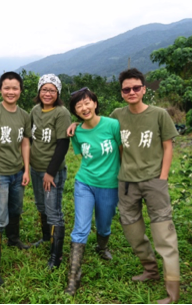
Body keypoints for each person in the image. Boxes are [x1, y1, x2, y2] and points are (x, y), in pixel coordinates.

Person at [113, 68, 180, 304]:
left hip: (154, 182)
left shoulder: (159, 114)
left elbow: (168, 146)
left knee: (164, 236)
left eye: (136, 88)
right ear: (121, 92)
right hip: (127, 183)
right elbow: (107, 137)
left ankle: (172, 293)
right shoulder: (117, 115)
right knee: (133, 232)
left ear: (143, 89)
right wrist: (75, 127)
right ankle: (150, 270)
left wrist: (162, 177)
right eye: (126, 89)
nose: (131, 92)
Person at [65, 88, 122, 296]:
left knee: (104, 225)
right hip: (85, 182)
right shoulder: (76, 132)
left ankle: (102, 247)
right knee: (80, 227)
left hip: (110, 184)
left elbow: (123, 152)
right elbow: (83, 157)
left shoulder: (113, 125)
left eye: (87, 102)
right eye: (78, 106)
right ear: (75, 112)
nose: (84, 108)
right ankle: (73, 277)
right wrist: (74, 126)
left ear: (95, 103)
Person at [0, 71, 32, 286]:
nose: (11, 92)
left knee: (16, 209)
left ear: (20, 90)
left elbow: (25, 143)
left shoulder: (24, 115)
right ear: (0, 90)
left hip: (17, 171)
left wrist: (26, 170)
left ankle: (14, 240)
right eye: (7, 88)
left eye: (15, 88)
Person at [29, 74, 71, 269]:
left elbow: (63, 144)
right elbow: (29, 138)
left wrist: (50, 172)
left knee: (53, 211)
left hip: (51, 171)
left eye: (52, 90)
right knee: (41, 205)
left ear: (58, 93)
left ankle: (56, 256)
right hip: (35, 167)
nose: (48, 93)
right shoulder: (35, 111)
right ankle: (46, 237)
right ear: (39, 91)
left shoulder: (61, 113)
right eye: (44, 89)